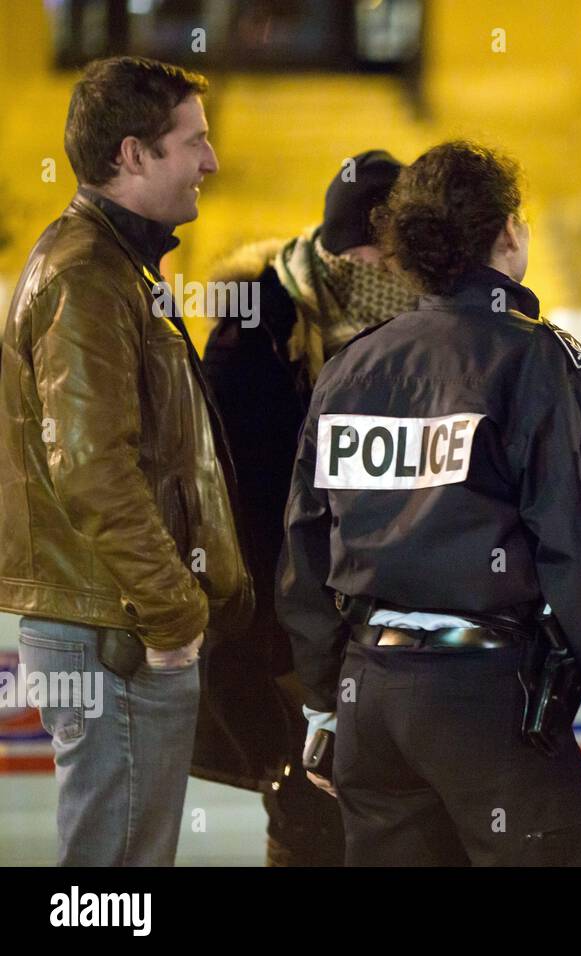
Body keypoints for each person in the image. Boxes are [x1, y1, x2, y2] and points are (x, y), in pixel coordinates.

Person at [276, 140, 581, 866]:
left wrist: (326, 700)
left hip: (372, 697)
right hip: (489, 704)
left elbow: (304, 548)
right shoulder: (541, 361)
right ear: (511, 232)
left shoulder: (352, 366)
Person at [0, 56, 251, 865]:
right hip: (120, 629)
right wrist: (175, 615)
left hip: (117, 620)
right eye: (194, 142)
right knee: (118, 875)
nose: (210, 162)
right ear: (134, 154)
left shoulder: (114, 267)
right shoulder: (88, 277)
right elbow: (91, 470)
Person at [196, 150, 415, 865]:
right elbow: (240, 502)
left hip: (401, 630)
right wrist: (267, 645)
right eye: (364, 251)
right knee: (312, 814)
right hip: (292, 633)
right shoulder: (259, 323)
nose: (379, 269)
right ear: (334, 244)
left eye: (394, 254)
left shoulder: (433, 319)